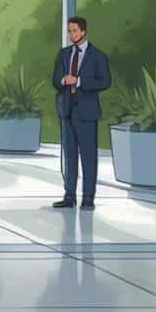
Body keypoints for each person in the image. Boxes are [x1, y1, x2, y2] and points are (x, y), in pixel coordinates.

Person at [52, 15, 111, 210]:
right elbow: (55, 80)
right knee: (69, 156)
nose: (71, 34)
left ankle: (88, 197)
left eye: (74, 31)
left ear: (83, 31)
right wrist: (63, 81)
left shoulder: (98, 56)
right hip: (67, 111)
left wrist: (78, 82)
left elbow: (105, 82)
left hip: (86, 112)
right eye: (69, 31)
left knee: (88, 156)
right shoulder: (63, 54)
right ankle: (69, 196)